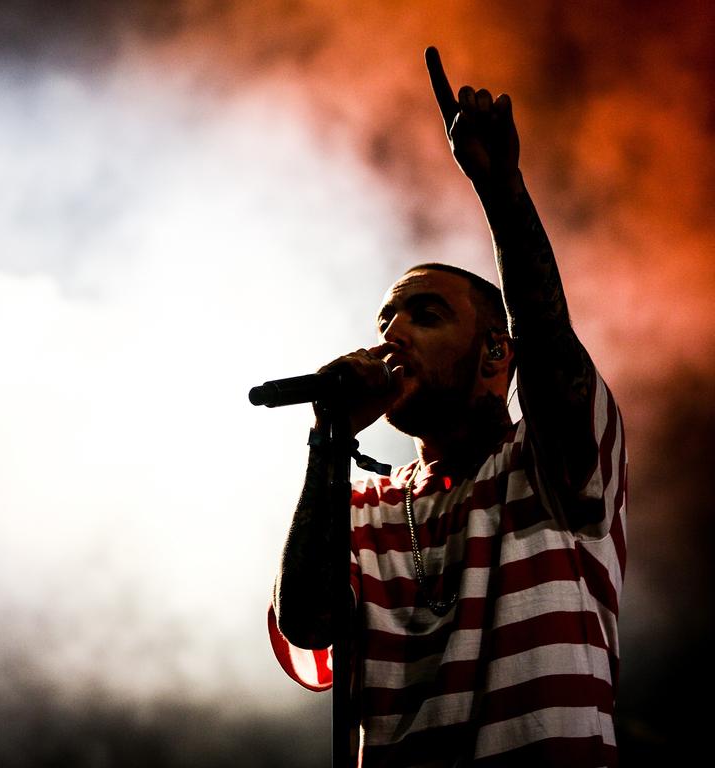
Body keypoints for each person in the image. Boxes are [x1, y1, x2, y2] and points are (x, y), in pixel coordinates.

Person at [268, 47, 628, 766]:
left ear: (497, 356)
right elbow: (308, 629)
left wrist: (502, 195)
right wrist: (327, 435)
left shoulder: (552, 464)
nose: (393, 334)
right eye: (384, 323)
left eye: (425, 315)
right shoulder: (359, 505)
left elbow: (548, 342)